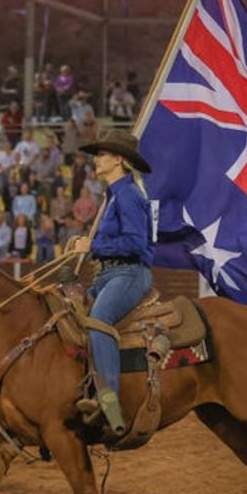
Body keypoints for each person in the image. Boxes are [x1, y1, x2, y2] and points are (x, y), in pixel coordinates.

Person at [71, 130, 155, 436]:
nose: (97, 159)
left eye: (103, 154)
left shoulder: (129, 195)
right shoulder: (113, 195)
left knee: (98, 321)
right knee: (68, 313)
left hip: (130, 274)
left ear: (119, 160)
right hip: (108, 275)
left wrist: (92, 248)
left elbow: (135, 243)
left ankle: (109, 402)